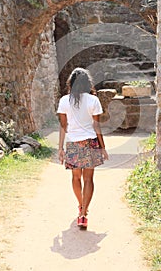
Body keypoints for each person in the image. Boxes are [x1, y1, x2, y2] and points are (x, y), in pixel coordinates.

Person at [57, 67, 109, 229]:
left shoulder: (64, 101)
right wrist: (103, 147)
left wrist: (60, 148)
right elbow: (96, 126)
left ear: (71, 83)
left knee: (75, 178)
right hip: (90, 143)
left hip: (73, 144)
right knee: (88, 179)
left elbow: (63, 126)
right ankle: (84, 214)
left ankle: (80, 205)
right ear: (87, 83)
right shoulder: (93, 101)